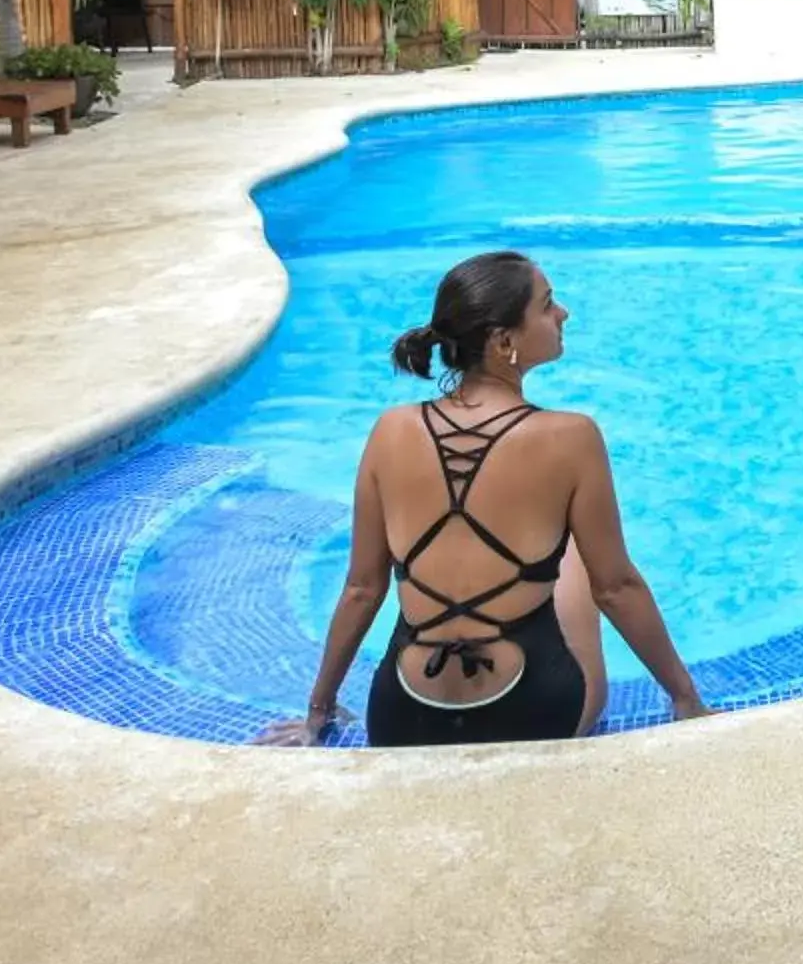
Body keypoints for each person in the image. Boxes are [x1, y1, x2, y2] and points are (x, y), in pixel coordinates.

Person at [259, 251, 710, 747]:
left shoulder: (390, 431)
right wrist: (686, 700)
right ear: (503, 342)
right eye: (548, 304)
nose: (564, 314)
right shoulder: (571, 437)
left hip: (403, 719)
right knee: (581, 550)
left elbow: (362, 590)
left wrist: (316, 712)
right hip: (530, 715)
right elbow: (617, 589)